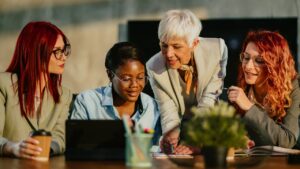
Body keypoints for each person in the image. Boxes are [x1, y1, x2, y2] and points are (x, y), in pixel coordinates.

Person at [146, 9, 228, 154]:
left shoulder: (217, 50)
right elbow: (167, 109)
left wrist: (196, 138)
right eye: (164, 45)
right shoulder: (153, 67)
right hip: (182, 121)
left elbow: (210, 99)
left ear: (195, 43)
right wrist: (171, 134)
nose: (169, 54)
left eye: (176, 46)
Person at [0, 21, 72, 159]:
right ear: (36, 51)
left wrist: (42, 149)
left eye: (64, 50)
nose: (64, 57)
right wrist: (13, 148)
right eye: (57, 51)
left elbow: (60, 138)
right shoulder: (3, 85)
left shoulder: (64, 95)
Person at [70, 42, 161, 143]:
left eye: (140, 77)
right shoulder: (87, 101)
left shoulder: (152, 107)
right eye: (126, 79)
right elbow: (75, 145)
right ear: (110, 75)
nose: (134, 85)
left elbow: (158, 148)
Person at [228, 30, 300, 148]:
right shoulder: (242, 88)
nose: (248, 66)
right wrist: (237, 138)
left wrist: (249, 107)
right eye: (246, 57)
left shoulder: (293, 88)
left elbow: (287, 140)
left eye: (259, 60)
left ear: (276, 64)